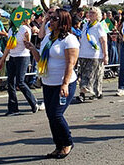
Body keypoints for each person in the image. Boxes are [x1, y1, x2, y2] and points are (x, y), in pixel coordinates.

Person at [25, 9, 79, 159]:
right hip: (48, 81)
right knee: (51, 115)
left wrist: (65, 84)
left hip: (63, 82)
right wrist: (32, 49)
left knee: (56, 114)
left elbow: (70, 64)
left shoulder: (70, 40)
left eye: (55, 18)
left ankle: (67, 142)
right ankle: (58, 145)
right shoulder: (49, 37)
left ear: (63, 21)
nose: (51, 21)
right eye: (51, 18)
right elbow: (41, 59)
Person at [0, 18, 41, 116]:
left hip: (23, 56)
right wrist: (2, 60)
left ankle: (33, 102)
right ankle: (13, 108)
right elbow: (8, 46)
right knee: (10, 82)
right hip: (12, 57)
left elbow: (27, 45)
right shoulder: (11, 29)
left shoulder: (25, 28)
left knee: (20, 82)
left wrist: (27, 38)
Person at [77, 7, 108, 101]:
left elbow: (103, 41)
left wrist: (105, 55)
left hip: (95, 54)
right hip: (83, 53)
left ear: (97, 15)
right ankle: (97, 92)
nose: (90, 14)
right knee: (84, 74)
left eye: (93, 13)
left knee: (90, 74)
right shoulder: (85, 24)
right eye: (89, 12)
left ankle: (82, 93)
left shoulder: (99, 26)